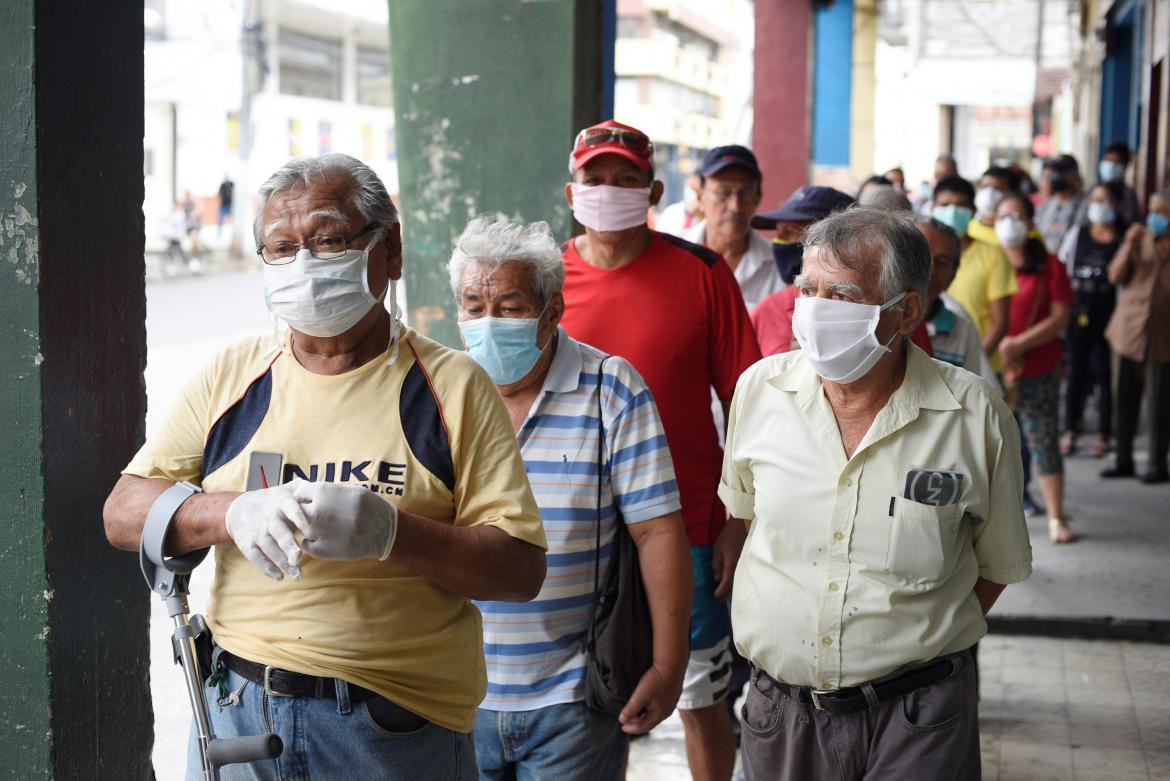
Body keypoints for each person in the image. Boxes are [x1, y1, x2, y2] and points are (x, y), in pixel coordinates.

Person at [103, 153, 549, 780]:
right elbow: (123, 513)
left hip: (392, 725)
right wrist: (232, 511)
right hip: (241, 712)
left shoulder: (452, 387)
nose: (303, 265)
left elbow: (520, 569)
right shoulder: (233, 375)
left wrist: (391, 533)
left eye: (329, 239)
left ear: (389, 252)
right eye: (280, 249)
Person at [720, 207, 1032, 780]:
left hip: (918, 718)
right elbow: (749, 521)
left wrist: (907, 644)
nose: (814, 311)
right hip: (780, 713)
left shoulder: (973, 413)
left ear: (907, 311)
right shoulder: (759, 391)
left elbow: (995, 566)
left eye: (840, 294)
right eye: (806, 290)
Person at [448, 218, 692, 779]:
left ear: (552, 311)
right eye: (473, 306)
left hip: (573, 700)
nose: (488, 323)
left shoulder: (611, 388)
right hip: (454, 694)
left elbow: (657, 531)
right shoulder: (439, 391)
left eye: (509, 307)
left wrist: (668, 664)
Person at [559, 119, 761, 781]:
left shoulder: (702, 275)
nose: (610, 191)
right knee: (584, 699)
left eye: (626, 179)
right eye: (596, 179)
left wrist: (739, 517)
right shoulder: (543, 279)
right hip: (574, 529)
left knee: (701, 697)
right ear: (570, 191)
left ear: (656, 189)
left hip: (690, 530)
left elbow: (749, 404)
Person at [994, 193, 1075, 543]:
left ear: (1029, 223)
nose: (1009, 221)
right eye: (1002, 215)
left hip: (1037, 365)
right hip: (992, 367)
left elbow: (1060, 318)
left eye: (1016, 215)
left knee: (1043, 439)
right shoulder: (988, 261)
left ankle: (1056, 516)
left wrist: (1018, 344)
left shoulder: (1049, 266)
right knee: (990, 445)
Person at [1102, 189, 1170, 484]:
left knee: (1159, 404)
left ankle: (1157, 464)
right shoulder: (1138, 239)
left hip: (1161, 336)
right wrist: (1128, 245)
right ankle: (1123, 459)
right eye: (1154, 210)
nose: (1157, 217)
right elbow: (1114, 276)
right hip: (1127, 332)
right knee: (1123, 399)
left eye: (1164, 212)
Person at [1058, 182, 1126, 458]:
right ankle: (1070, 430)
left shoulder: (1123, 239)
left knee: (1104, 376)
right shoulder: (1078, 234)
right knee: (1075, 373)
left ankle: (1104, 434)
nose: (1099, 206)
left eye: (1105, 200)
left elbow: (1124, 284)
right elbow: (1064, 267)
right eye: (1095, 200)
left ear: (1117, 205)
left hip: (1108, 316)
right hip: (1078, 313)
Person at [749, 186, 857, 355]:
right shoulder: (767, 311)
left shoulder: (869, 312)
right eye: (779, 230)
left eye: (793, 229)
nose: (779, 239)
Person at [932, 175, 1018, 372]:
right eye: (945, 204)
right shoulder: (919, 253)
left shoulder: (994, 255)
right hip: (928, 369)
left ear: (972, 211)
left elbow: (1000, 324)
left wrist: (966, 364)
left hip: (980, 369)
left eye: (960, 206)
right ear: (933, 207)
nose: (952, 212)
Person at [683, 145, 784, 311]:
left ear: (758, 199)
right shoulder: (674, 256)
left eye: (745, 194)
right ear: (700, 197)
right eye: (723, 193)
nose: (735, 207)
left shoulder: (776, 265)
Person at [915, 215, 997, 386]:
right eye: (921, 256)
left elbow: (970, 394)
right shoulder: (884, 320)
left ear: (953, 275)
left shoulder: (963, 331)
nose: (931, 269)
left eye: (943, 262)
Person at [1075, 141, 1142, 226]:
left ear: (1124, 166)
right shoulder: (1093, 190)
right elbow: (1080, 220)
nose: (1110, 166)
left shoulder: (1128, 194)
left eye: (1116, 162)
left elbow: (1130, 222)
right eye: (1107, 160)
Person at [1035, 154, 1084, 252]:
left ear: (1074, 173)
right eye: (1054, 171)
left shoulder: (1085, 204)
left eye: (1061, 171)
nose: (1055, 175)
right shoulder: (1046, 205)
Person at [966, 166, 1020, 246]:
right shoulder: (966, 229)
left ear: (1010, 192)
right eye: (985, 187)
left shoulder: (1020, 233)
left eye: (997, 188)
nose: (989, 193)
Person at [656, 173, 703, 237]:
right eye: (690, 188)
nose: (694, 194)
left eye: (696, 190)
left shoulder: (706, 217)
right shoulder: (671, 212)